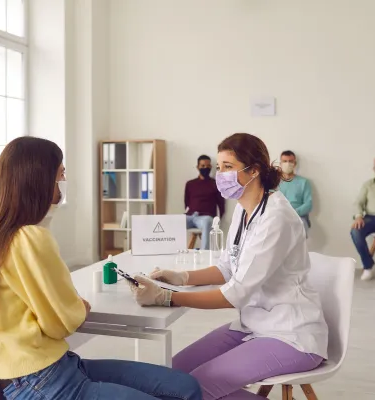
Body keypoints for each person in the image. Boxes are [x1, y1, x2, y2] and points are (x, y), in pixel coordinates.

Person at [0, 137, 202, 400]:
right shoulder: (31, 238)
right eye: (61, 174)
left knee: (186, 387)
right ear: (39, 179)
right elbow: (64, 322)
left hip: (56, 367)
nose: (64, 181)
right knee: (186, 390)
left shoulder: (8, 236)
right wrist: (77, 306)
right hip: (45, 380)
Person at [131, 133, 328, 400]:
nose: (220, 174)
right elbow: (227, 267)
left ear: (254, 170)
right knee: (171, 374)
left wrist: (167, 298)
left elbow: (235, 294)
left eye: (228, 167)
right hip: (253, 324)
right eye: (219, 167)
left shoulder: (276, 217)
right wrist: (180, 276)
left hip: (290, 333)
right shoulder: (243, 209)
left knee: (194, 387)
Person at [185, 155, 225, 249]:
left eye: (207, 166)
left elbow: (221, 204)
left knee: (207, 222)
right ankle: (177, 252)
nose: (205, 168)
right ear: (198, 167)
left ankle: (204, 253)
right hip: (190, 216)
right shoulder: (190, 184)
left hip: (205, 217)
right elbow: (186, 202)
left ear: (211, 167)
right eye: (202, 166)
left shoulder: (215, 184)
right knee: (175, 221)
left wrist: (218, 219)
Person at [278, 150, 312, 236]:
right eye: (285, 161)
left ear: (295, 163)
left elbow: (308, 204)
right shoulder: (275, 182)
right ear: (280, 163)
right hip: (278, 216)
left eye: (290, 161)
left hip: (298, 217)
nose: (288, 163)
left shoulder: (303, 182)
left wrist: (293, 213)